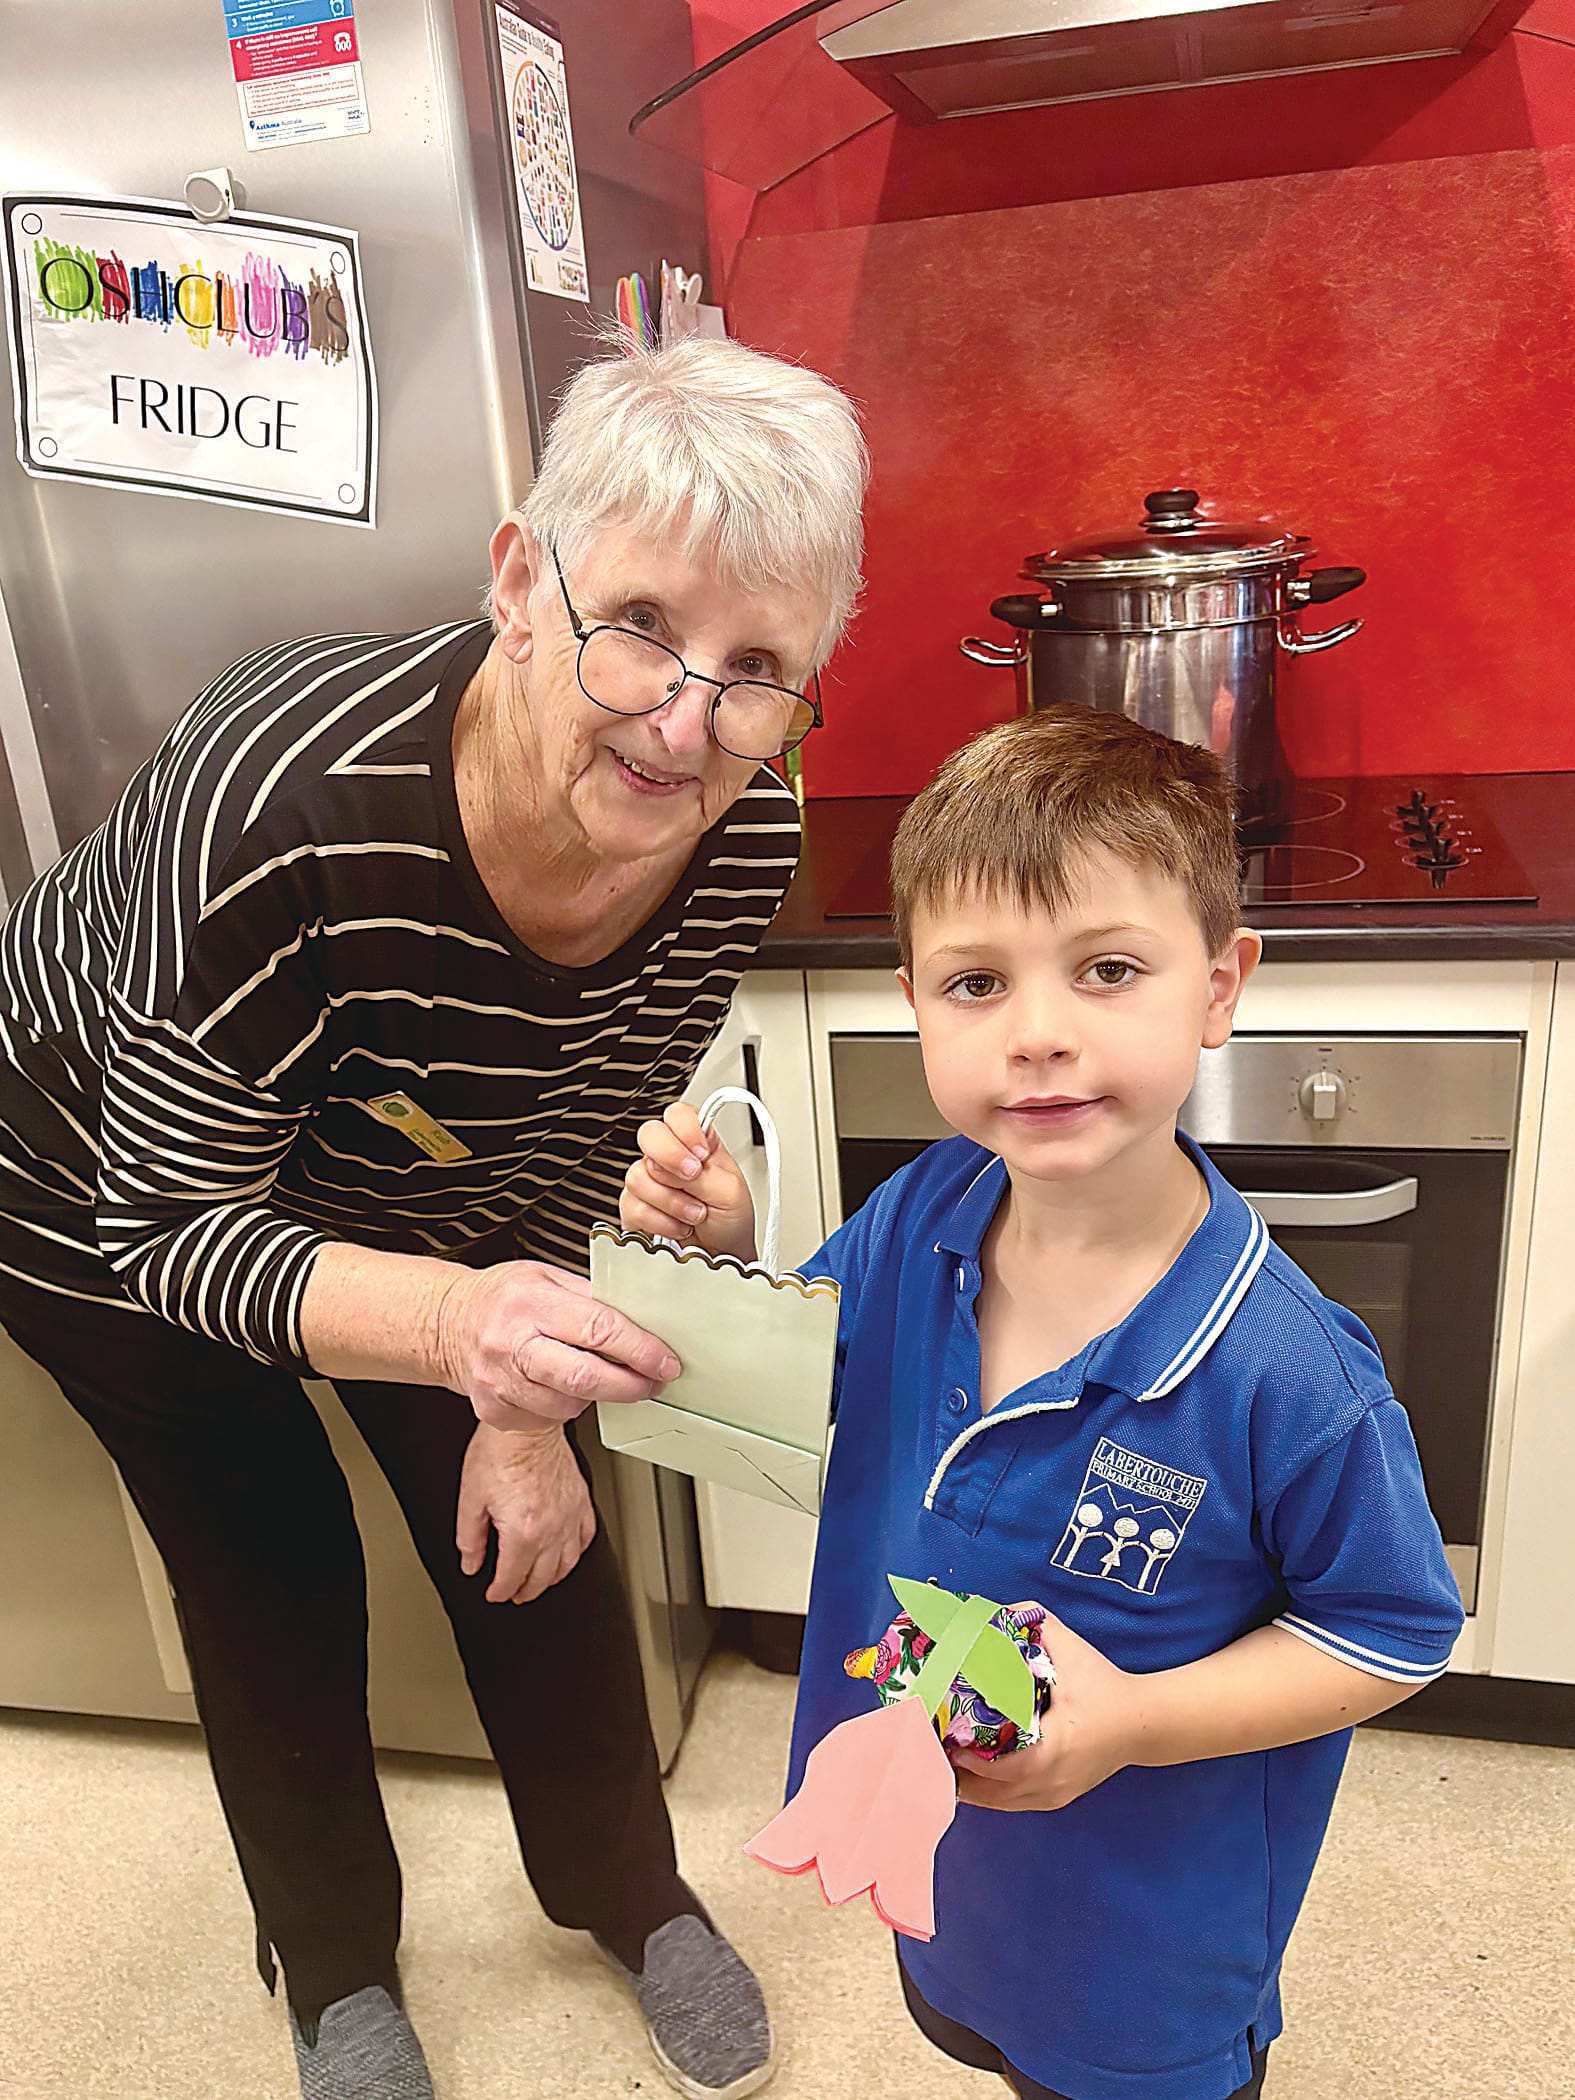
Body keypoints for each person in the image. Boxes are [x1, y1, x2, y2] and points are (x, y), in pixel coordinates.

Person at [0, 336, 866, 2100]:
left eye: (760, 669)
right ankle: (334, 1972)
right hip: (97, 1183)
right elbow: (174, 1228)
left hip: (380, 1160)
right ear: (517, 581)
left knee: (539, 1521)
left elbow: (558, 1124)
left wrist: (518, 1399)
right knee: (267, 1558)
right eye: (639, 624)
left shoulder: (744, 829)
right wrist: (469, 1332)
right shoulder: (277, 795)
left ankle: (627, 1888)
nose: (687, 724)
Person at [621, 705, 1465, 2100]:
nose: (1039, 1037)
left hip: (1144, 1956)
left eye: (1109, 969)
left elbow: (1390, 1631)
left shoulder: (1284, 1373)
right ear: (910, 995)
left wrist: (1129, 1721)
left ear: (1220, 984)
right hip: (958, 1881)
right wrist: (720, 1268)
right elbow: (807, 1376)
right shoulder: (920, 1213)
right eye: (974, 985)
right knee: (989, 2048)